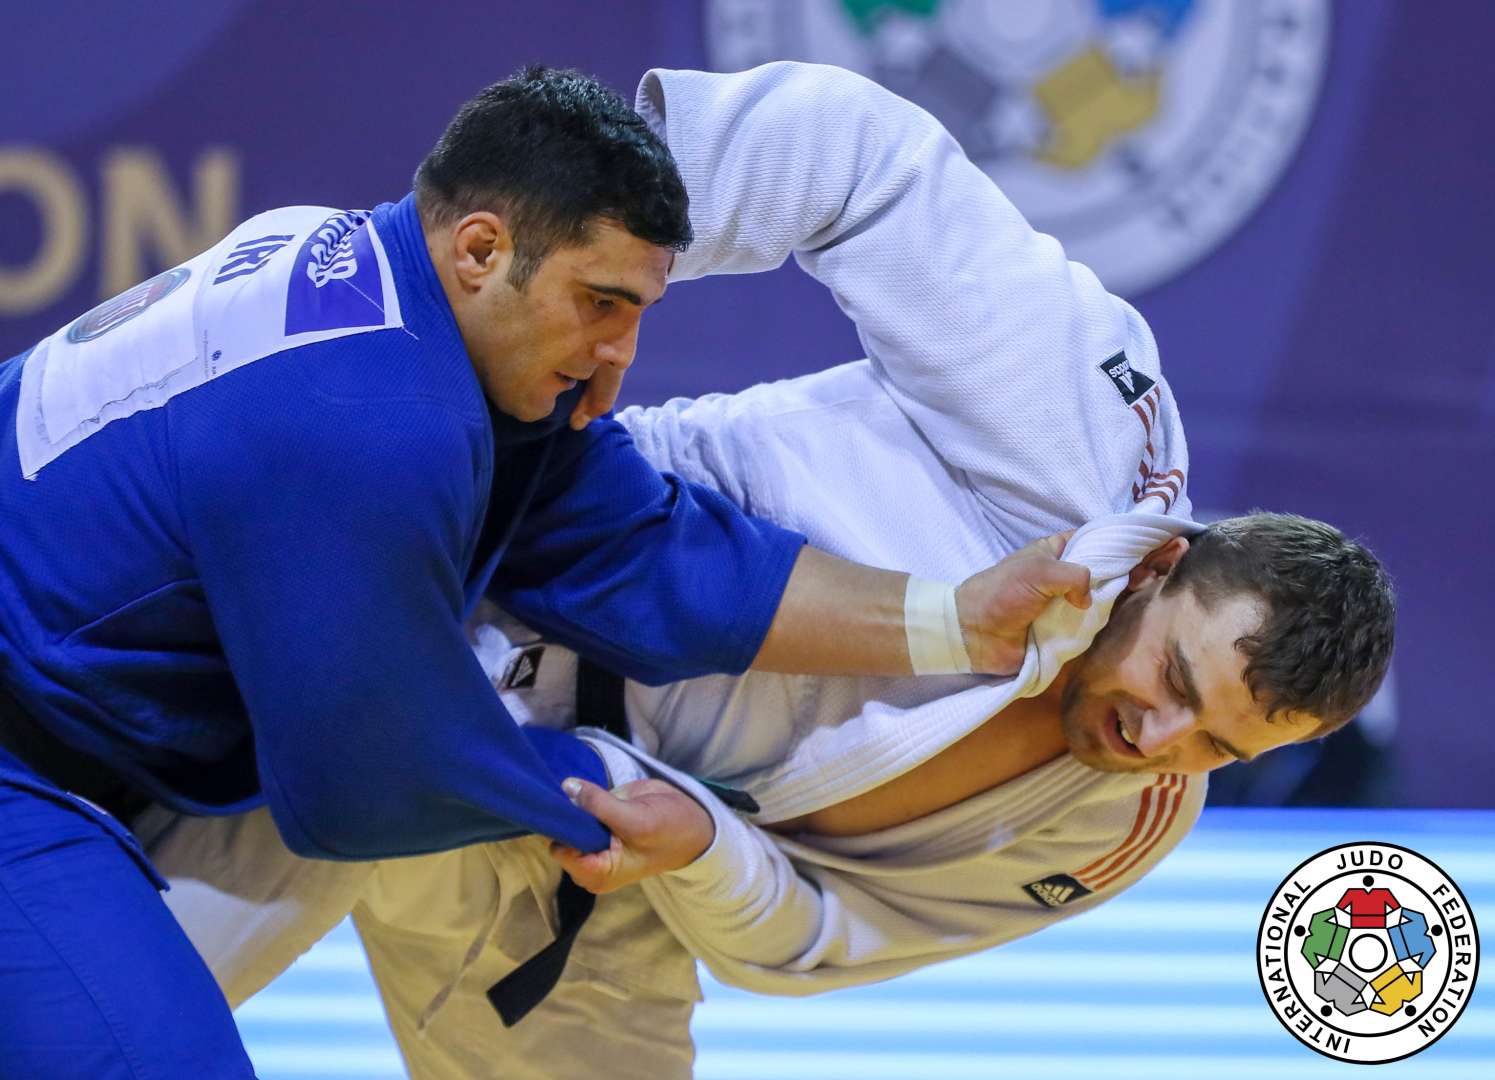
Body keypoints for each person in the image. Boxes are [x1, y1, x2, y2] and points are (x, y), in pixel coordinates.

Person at [142, 63, 1395, 1078]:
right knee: (112, 1017)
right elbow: (849, 154)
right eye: (1174, 675)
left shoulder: (1116, 827)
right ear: (1161, 563)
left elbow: (814, 942)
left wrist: (699, 849)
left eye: (1213, 750)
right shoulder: (1077, 440)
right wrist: (605, 287)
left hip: (592, 857)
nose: (1156, 734)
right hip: (484, 591)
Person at [0, 66, 1082, 1078]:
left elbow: (639, 551)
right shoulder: (365, 421)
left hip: (64, 735)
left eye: (640, 314)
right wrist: (601, 790)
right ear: (480, 250)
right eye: (598, 303)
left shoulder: (376, 286)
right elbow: (365, 788)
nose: (618, 357)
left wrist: (958, 619)